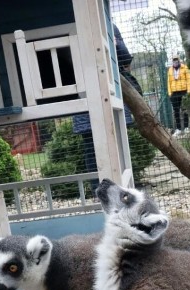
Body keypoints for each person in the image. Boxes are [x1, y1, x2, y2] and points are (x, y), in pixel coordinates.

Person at [72, 24, 140, 177]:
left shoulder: (72, 23)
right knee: (118, 145)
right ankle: (120, 185)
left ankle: (98, 187)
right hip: (111, 95)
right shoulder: (108, 25)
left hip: (84, 100)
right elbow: (124, 57)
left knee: (91, 150)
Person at [166, 55, 190, 136]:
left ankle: (186, 127)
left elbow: (189, 79)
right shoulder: (170, 70)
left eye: (176, 60)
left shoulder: (185, 68)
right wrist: (170, 93)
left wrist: (189, 91)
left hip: (183, 91)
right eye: (174, 60)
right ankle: (178, 129)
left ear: (179, 60)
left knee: (184, 109)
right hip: (174, 92)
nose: (175, 61)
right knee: (176, 111)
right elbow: (168, 82)